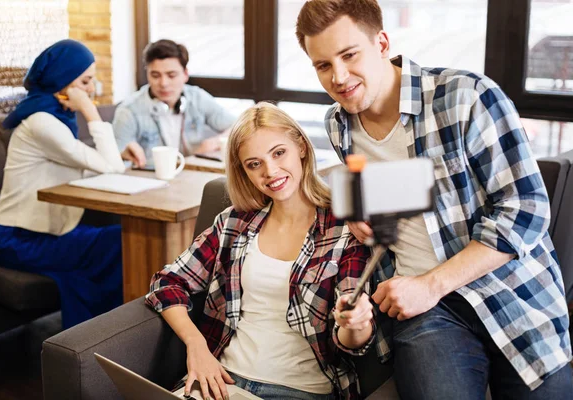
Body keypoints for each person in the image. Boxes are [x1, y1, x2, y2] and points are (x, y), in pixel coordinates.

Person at [296, 0, 573, 399]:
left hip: (511, 294)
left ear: (382, 43)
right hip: (426, 313)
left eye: (349, 55)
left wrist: (432, 284)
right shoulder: (338, 125)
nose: (338, 77)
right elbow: (396, 189)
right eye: (323, 65)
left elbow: (526, 208)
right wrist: (360, 212)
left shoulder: (465, 96)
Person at [146, 102, 375, 400]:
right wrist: (196, 345)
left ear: (301, 147)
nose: (270, 171)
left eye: (279, 153)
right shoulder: (234, 222)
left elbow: (350, 344)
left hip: (300, 390)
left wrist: (355, 323)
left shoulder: (345, 227)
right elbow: (167, 283)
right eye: (254, 164)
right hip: (223, 381)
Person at [0, 39, 125, 329]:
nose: (92, 88)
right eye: (86, 81)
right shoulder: (42, 122)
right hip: (19, 240)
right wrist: (89, 110)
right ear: (64, 80)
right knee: (119, 241)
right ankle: (102, 334)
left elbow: (88, 168)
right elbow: (113, 167)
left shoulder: (53, 117)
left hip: (50, 233)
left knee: (115, 242)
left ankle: (95, 337)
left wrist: (113, 157)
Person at [113, 39, 236, 168]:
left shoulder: (197, 98)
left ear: (185, 74)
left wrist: (216, 142)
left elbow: (239, 126)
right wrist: (123, 154)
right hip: (148, 179)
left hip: (190, 175)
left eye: (171, 75)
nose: (163, 83)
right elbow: (115, 160)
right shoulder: (128, 111)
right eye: (155, 75)